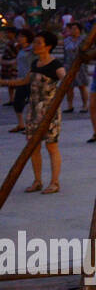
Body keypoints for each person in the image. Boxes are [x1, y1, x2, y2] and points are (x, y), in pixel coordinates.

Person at [1, 31, 65, 193]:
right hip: (33, 111)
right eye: (35, 42)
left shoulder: (56, 65)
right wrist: (3, 82)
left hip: (49, 112)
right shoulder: (36, 63)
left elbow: (66, 82)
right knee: (33, 147)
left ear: (48, 46)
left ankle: (55, 182)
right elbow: (24, 81)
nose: (35, 45)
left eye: (38, 43)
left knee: (51, 146)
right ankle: (37, 181)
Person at [5, 29, 35, 133]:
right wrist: (5, 62)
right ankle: (21, 124)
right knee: (18, 102)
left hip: (31, 79)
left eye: (22, 36)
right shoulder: (21, 49)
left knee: (32, 103)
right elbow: (16, 62)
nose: (19, 38)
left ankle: (31, 126)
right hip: (21, 79)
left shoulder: (33, 49)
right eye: (19, 36)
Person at [61, 22, 89, 113]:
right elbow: (65, 53)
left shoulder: (83, 40)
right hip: (68, 65)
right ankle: (70, 105)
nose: (73, 30)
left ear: (79, 30)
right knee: (69, 87)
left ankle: (85, 105)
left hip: (80, 66)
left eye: (75, 28)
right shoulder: (66, 40)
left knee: (82, 86)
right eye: (71, 28)